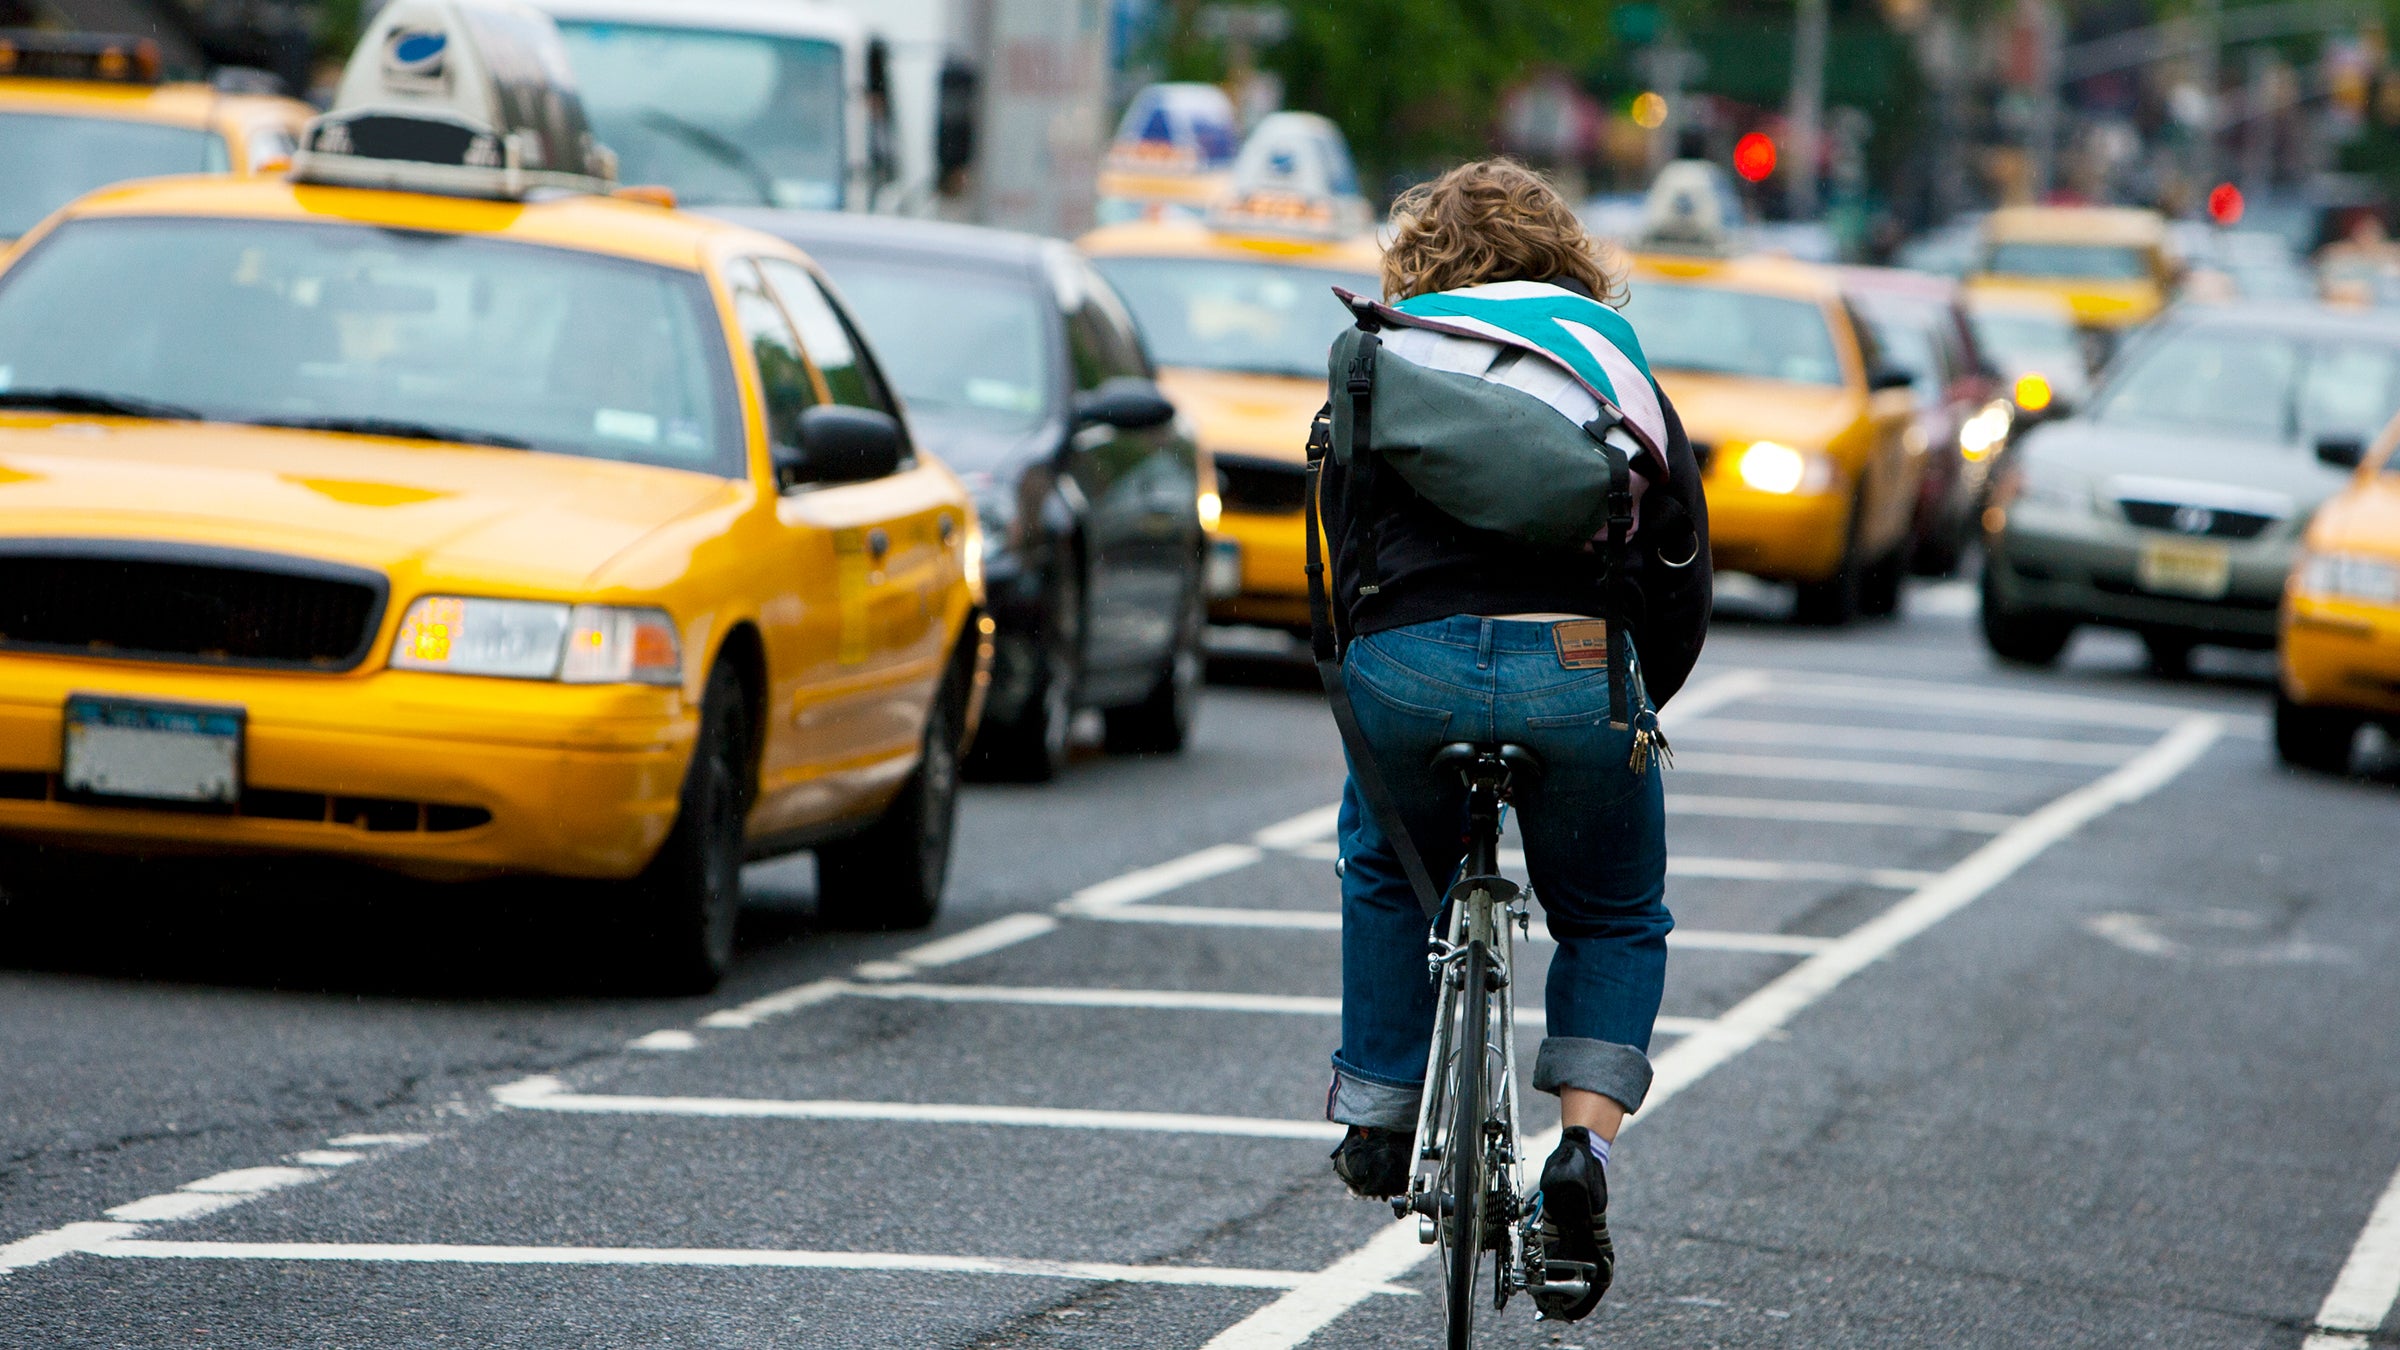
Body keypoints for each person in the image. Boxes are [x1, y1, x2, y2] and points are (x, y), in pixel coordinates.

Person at [1316, 159, 1706, 1322]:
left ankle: (1380, 1109)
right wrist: (1635, 704)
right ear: (1566, 251)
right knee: (1615, 912)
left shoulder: (1391, 345)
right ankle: (1581, 1149)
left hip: (1408, 662)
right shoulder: (1609, 356)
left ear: (1421, 252)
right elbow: (1679, 560)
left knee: (1385, 858)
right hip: (1575, 662)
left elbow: (1339, 541)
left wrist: (1367, 670)